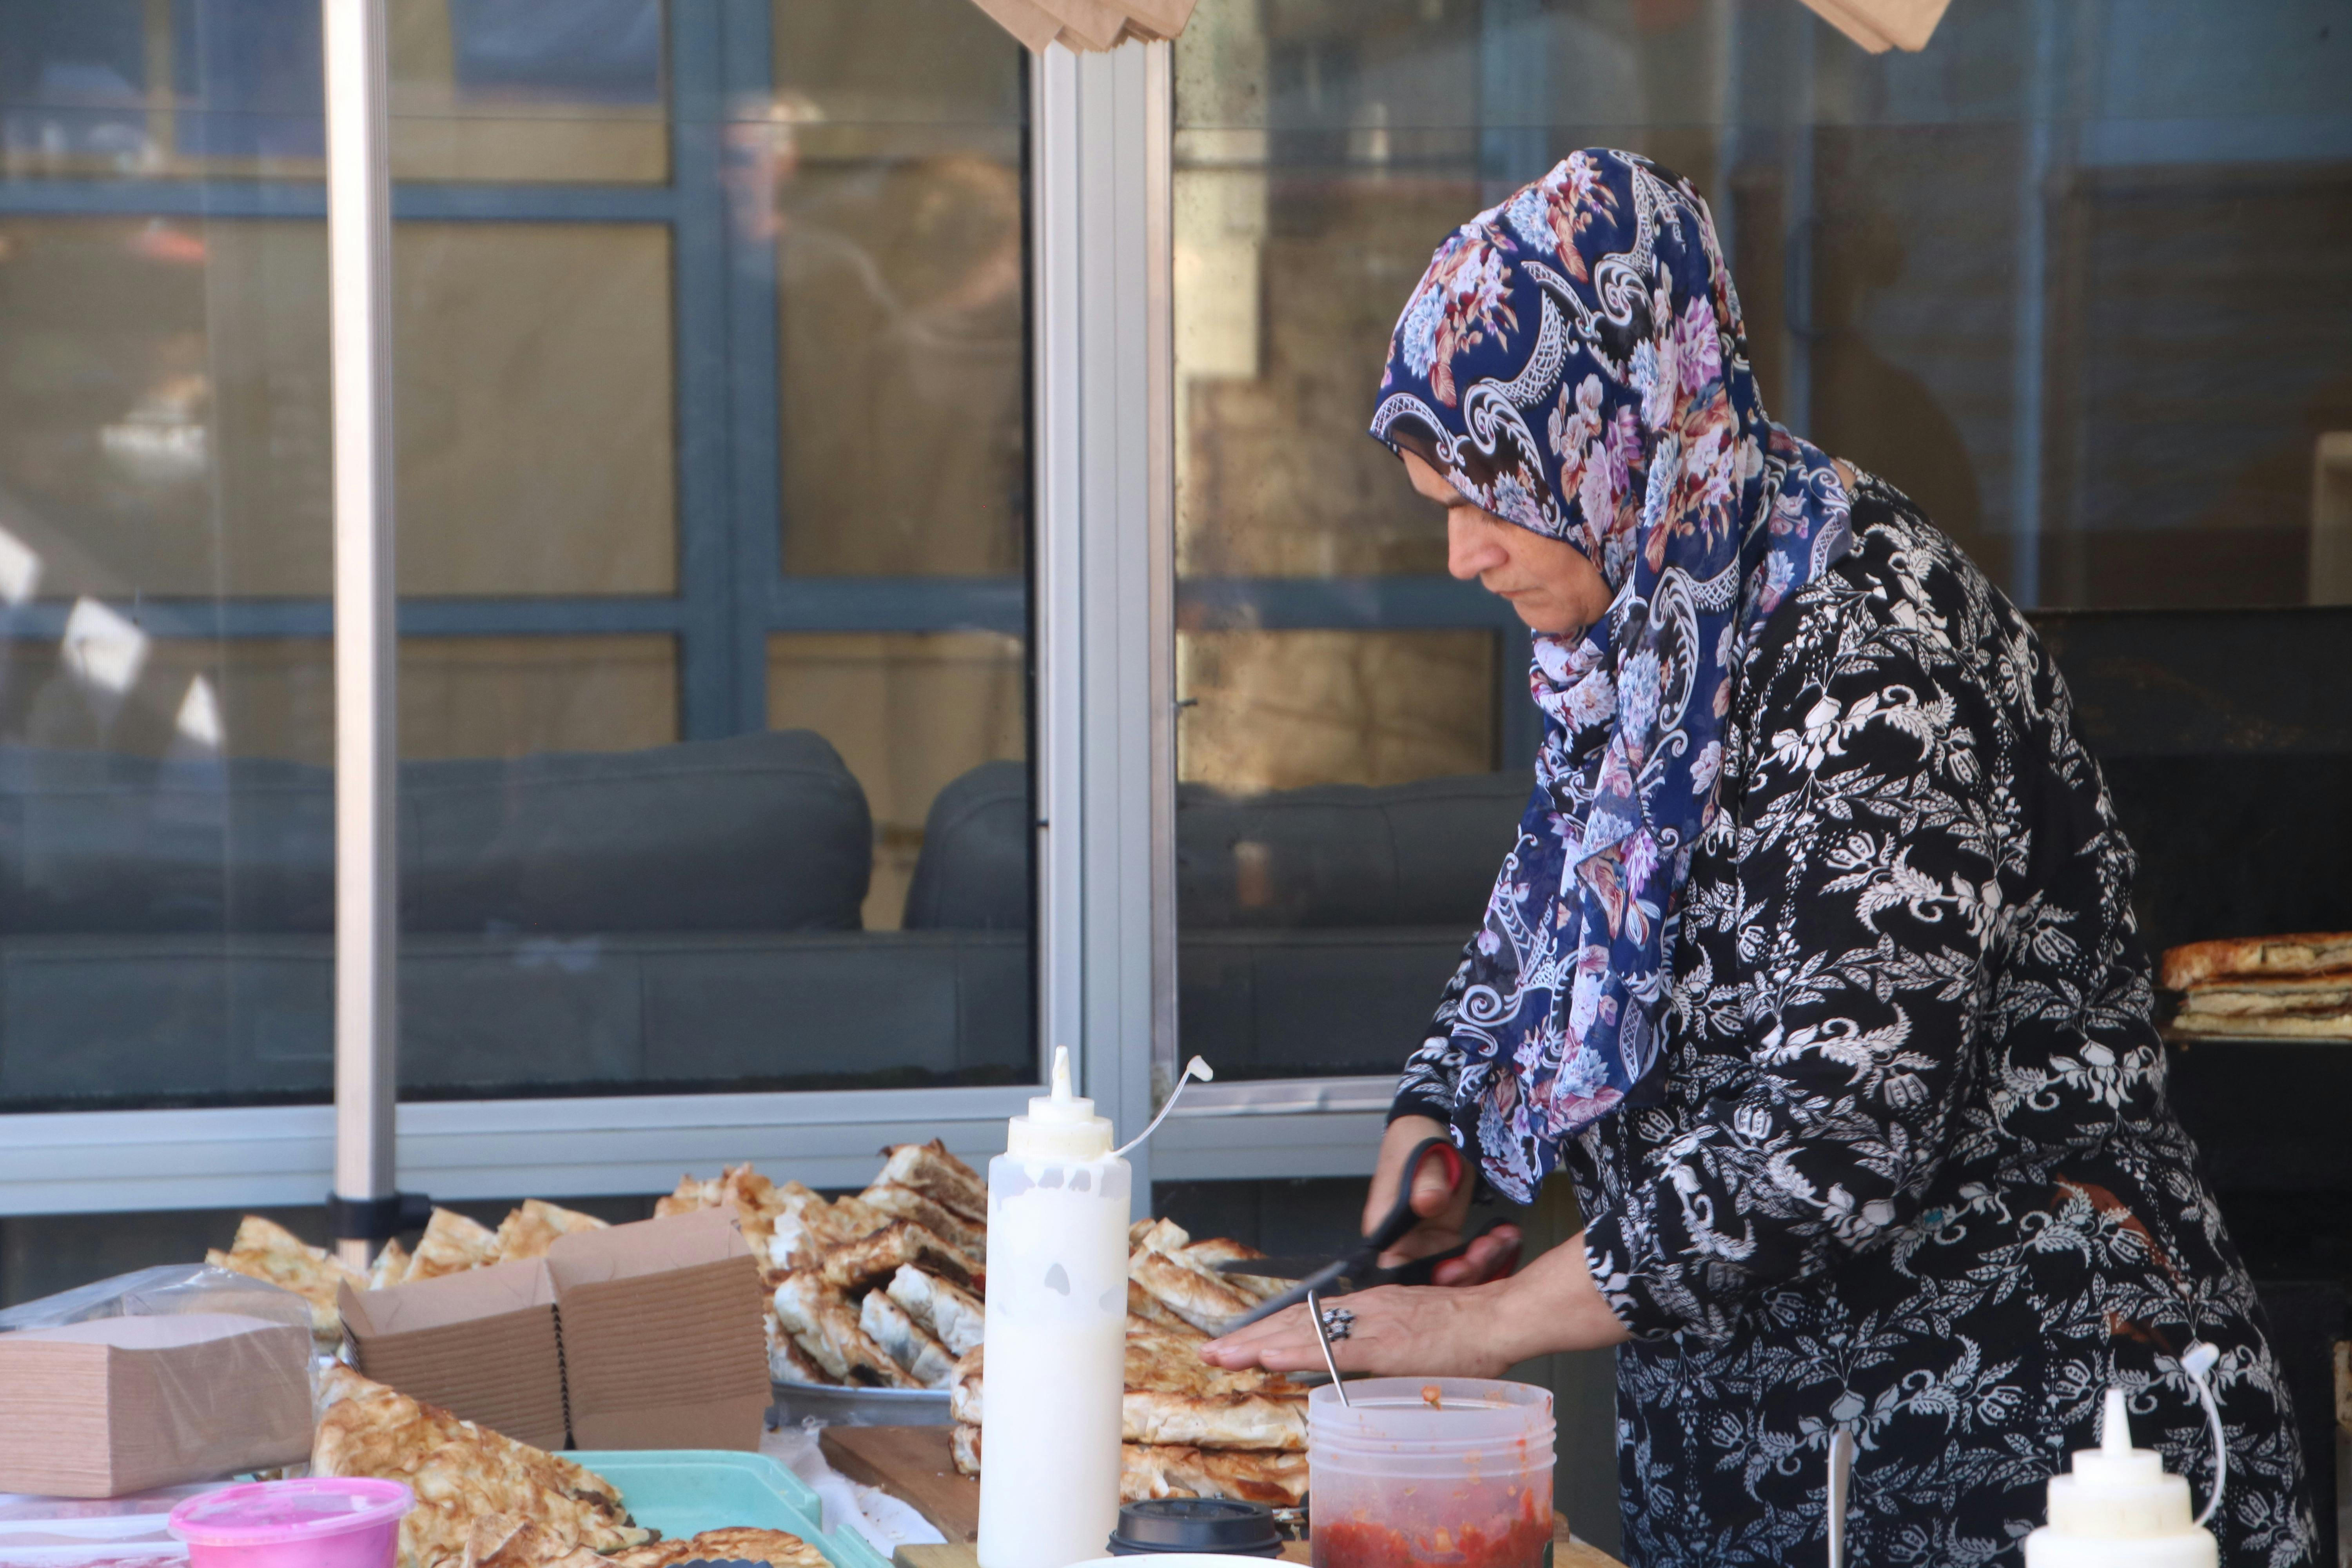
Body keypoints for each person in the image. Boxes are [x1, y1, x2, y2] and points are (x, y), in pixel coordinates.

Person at [1198, 150, 2318, 1568]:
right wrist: (1449, 1129)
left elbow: (1832, 1135)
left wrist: (1485, 1323)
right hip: (1758, 1466)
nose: (1461, 557)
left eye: (1494, 499)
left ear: (1617, 442)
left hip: (2017, 1455)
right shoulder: (1648, 633)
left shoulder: (1873, 650)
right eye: (1440, 504)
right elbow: (1551, 921)